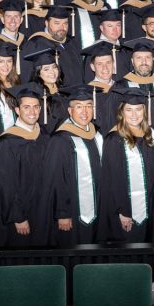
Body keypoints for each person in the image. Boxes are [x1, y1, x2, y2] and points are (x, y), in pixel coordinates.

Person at [98, 87, 154, 243]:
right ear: (122, 112)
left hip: (151, 206)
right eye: (129, 110)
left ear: (144, 111)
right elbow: (113, 179)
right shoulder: (114, 139)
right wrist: (122, 211)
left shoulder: (150, 134)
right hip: (127, 210)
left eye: (138, 109)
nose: (134, 115)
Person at [42, 84, 105, 245]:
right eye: (79, 107)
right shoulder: (60, 139)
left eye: (88, 106)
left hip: (99, 205)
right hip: (73, 210)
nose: (84, 112)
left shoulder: (97, 134)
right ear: (70, 111)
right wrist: (62, 213)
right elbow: (55, 179)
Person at [0, 84, 52, 247]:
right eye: (26, 107)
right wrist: (17, 217)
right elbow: (5, 185)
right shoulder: (7, 142)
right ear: (17, 110)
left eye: (36, 107)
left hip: (43, 210)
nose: (32, 112)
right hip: (22, 215)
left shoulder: (44, 135)